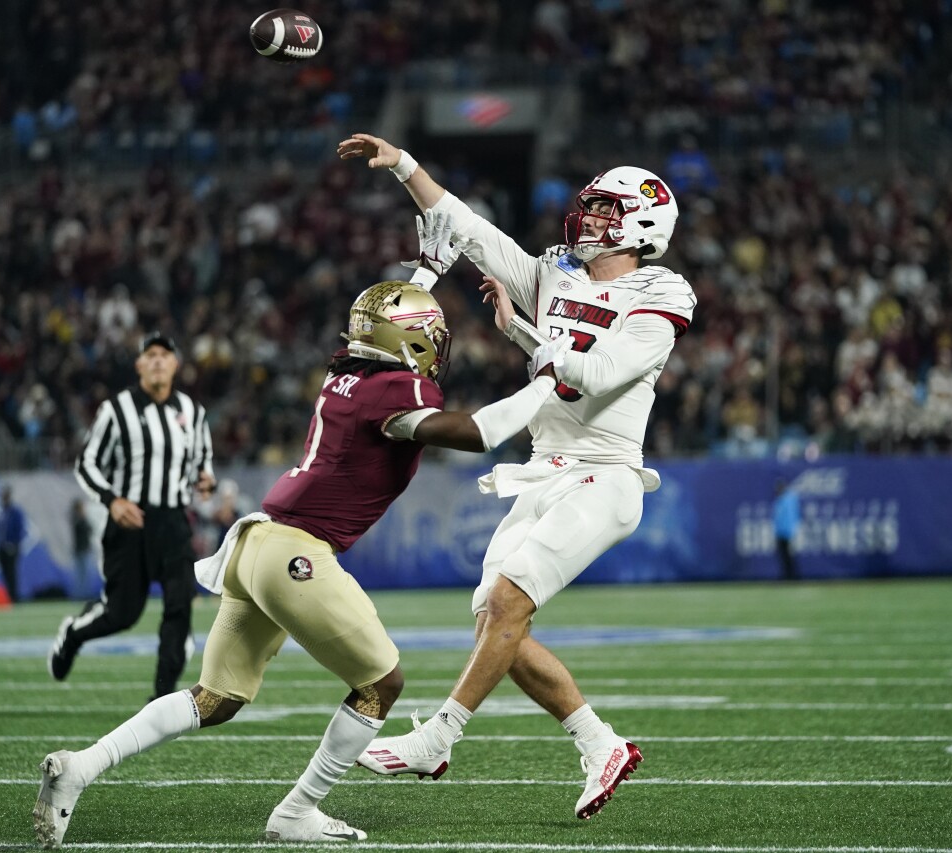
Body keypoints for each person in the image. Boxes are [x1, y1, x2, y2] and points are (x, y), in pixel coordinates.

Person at [32, 278, 569, 848]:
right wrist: (544, 381)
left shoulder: (349, 378)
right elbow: (479, 433)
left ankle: (80, 767)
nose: (436, 347)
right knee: (381, 684)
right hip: (297, 555)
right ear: (409, 342)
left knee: (213, 700)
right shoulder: (393, 390)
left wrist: (425, 273)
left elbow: (380, 317)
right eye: (428, 335)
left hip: (254, 543)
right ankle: (297, 811)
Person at [338, 132, 697, 819]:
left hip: (606, 475)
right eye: (590, 208)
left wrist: (522, 334)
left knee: (505, 601)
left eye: (604, 211)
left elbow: (595, 376)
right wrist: (406, 167)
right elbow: (470, 231)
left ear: (642, 225)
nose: (587, 220)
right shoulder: (558, 270)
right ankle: (601, 744)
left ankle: (439, 736)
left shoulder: (664, 292)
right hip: (543, 469)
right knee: (495, 618)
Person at [48, 331, 216, 700]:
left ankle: (162, 696)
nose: (157, 360)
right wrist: (112, 500)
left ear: (175, 364)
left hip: (173, 521)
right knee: (122, 613)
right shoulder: (117, 409)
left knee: (180, 603)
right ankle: (74, 633)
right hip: (130, 523)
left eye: (164, 354)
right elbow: (86, 463)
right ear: (139, 364)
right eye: (150, 354)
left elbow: (202, 461)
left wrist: (205, 480)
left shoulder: (193, 412)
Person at [0, 486, 26, 603]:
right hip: (1, 547)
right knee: (5, 573)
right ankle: (8, 597)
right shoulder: (1, 512)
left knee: (11, 573)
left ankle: (14, 597)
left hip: (11, 548)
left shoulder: (15, 512)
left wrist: (14, 544)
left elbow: (20, 529)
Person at [773, 478, 802, 580]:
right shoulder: (780, 500)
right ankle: (787, 575)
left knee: (788, 555)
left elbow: (791, 517)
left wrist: (792, 531)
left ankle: (791, 575)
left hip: (788, 532)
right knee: (784, 556)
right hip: (781, 532)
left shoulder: (788, 500)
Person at [69, 499, 94, 600]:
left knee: (85, 574)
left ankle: (84, 594)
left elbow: (91, 529)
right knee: (80, 575)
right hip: (80, 550)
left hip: (84, 549)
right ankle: (79, 595)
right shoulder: (77, 520)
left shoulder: (82, 520)